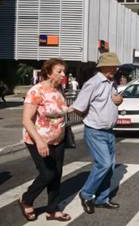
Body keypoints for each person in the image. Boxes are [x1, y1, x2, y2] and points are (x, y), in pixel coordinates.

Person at [19, 58, 71, 222]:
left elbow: (59, 111)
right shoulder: (36, 91)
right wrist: (40, 141)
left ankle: (52, 210)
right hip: (37, 140)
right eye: (59, 71)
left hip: (58, 140)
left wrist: (74, 109)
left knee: (57, 175)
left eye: (64, 71)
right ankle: (26, 200)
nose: (63, 74)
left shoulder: (59, 89)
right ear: (48, 72)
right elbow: (26, 120)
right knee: (48, 173)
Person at [71, 52, 123, 214]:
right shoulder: (93, 83)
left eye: (116, 66)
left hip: (109, 131)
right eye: (112, 66)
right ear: (103, 67)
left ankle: (102, 199)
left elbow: (111, 102)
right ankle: (86, 194)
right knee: (104, 164)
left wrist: (119, 101)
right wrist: (90, 118)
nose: (115, 68)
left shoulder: (112, 83)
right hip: (95, 131)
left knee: (110, 167)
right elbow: (78, 107)